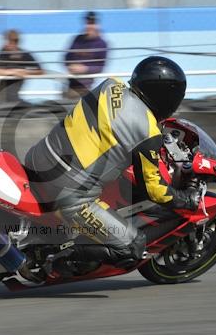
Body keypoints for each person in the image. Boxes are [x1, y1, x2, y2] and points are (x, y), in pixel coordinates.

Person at [25, 56, 200, 268]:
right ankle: (52, 258)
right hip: (68, 196)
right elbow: (154, 191)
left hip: (38, 158)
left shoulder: (110, 85)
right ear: (166, 97)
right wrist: (185, 200)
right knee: (132, 248)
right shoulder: (147, 133)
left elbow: (111, 128)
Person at [64, 11, 108, 99]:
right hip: (70, 83)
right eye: (88, 23)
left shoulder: (101, 44)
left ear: (97, 25)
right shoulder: (77, 39)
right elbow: (66, 57)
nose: (89, 26)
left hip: (85, 87)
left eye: (92, 23)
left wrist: (85, 69)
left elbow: (101, 67)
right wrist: (71, 66)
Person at [0, 30, 44, 105]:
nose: (6, 44)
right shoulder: (2, 53)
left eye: (9, 41)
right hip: (1, 98)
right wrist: (14, 72)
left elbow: (41, 71)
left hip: (15, 97)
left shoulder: (25, 55)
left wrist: (26, 72)